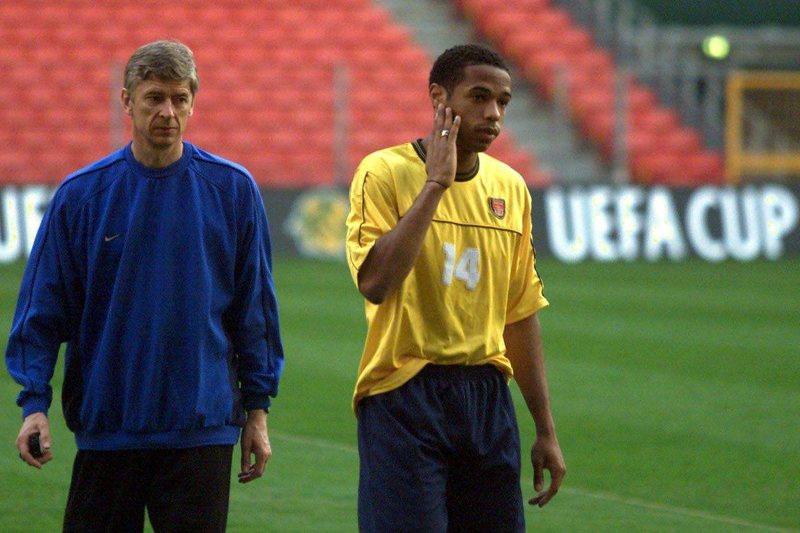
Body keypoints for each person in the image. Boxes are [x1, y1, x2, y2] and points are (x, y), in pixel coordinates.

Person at [5, 40, 284, 532]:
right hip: (110, 427)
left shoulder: (233, 190)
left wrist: (258, 411)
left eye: (179, 98)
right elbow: (41, 311)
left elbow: (254, 312)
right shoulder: (81, 196)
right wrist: (34, 404)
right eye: (154, 97)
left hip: (201, 429)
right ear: (127, 101)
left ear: (194, 100)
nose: (168, 112)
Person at [345, 43, 566, 532]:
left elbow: (520, 313)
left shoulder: (510, 188)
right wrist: (435, 186)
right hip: (404, 393)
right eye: (480, 97)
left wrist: (545, 429)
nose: (493, 114)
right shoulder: (383, 173)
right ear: (439, 98)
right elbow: (377, 283)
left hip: (487, 398)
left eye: (503, 102)